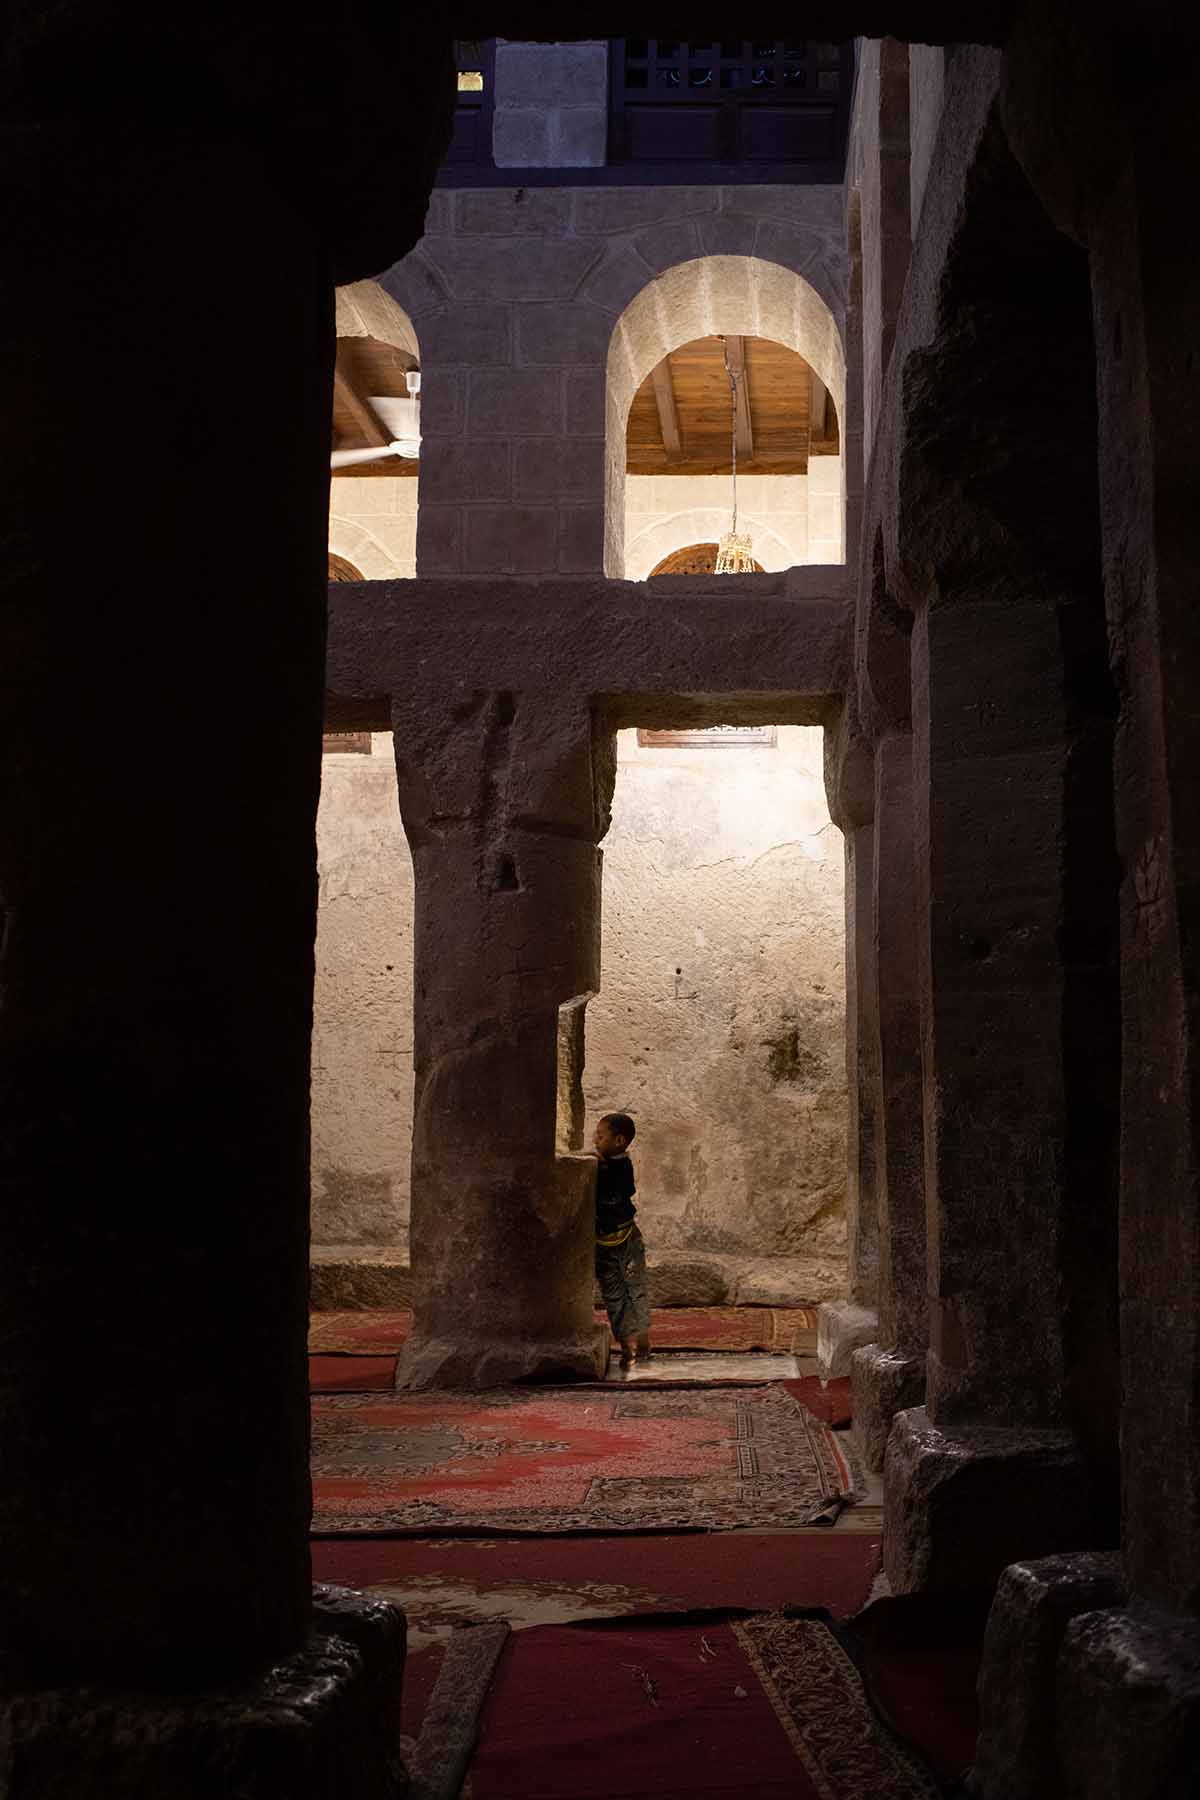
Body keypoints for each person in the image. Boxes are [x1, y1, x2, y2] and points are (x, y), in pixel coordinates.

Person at [593, 1111, 651, 1368]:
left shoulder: (620, 1167)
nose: (595, 1140)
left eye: (600, 1135)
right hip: (603, 1242)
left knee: (634, 1287)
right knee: (613, 1293)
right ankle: (627, 1343)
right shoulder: (604, 1163)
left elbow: (620, 1186)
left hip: (626, 1238)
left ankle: (642, 1339)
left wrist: (597, 1162)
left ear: (619, 1141)